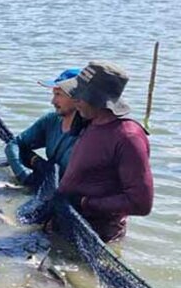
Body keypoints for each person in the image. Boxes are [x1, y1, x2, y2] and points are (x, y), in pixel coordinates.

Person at [56, 62, 153, 242]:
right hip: (68, 218)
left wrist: (87, 203)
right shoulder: (89, 121)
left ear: (100, 101)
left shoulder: (128, 137)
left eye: (81, 95)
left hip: (98, 235)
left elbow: (141, 203)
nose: (75, 99)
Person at [5, 67, 86, 186]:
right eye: (54, 94)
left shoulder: (90, 131)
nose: (53, 101)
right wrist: (25, 176)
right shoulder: (51, 120)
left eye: (58, 94)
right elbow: (13, 145)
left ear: (77, 98)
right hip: (48, 183)